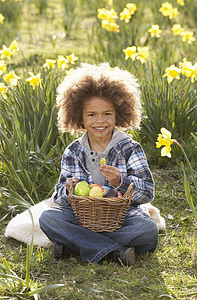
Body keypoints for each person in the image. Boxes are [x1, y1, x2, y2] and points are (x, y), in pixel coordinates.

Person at [39, 63, 159, 266]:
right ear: (79, 117)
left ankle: (75, 246)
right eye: (91, 115)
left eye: (107, 114)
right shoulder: (73, 151)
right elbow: (59, 196)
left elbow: (147, 193)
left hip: (122, 217)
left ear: (118, 114)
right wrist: (68, 189)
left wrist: (122, 181)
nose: (100, 121)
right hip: (81, 216)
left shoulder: (130, 148)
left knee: (147, 230)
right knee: (47, 219)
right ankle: (114, 252)